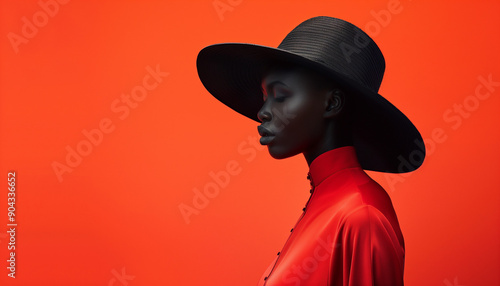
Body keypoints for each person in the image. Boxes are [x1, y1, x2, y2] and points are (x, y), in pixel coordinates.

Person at [196, 16, 425, 286]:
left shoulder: (361, 216)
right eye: (264, 96)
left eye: (280, 96)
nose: (262, 112)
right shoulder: (327, 202)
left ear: (332, 104)